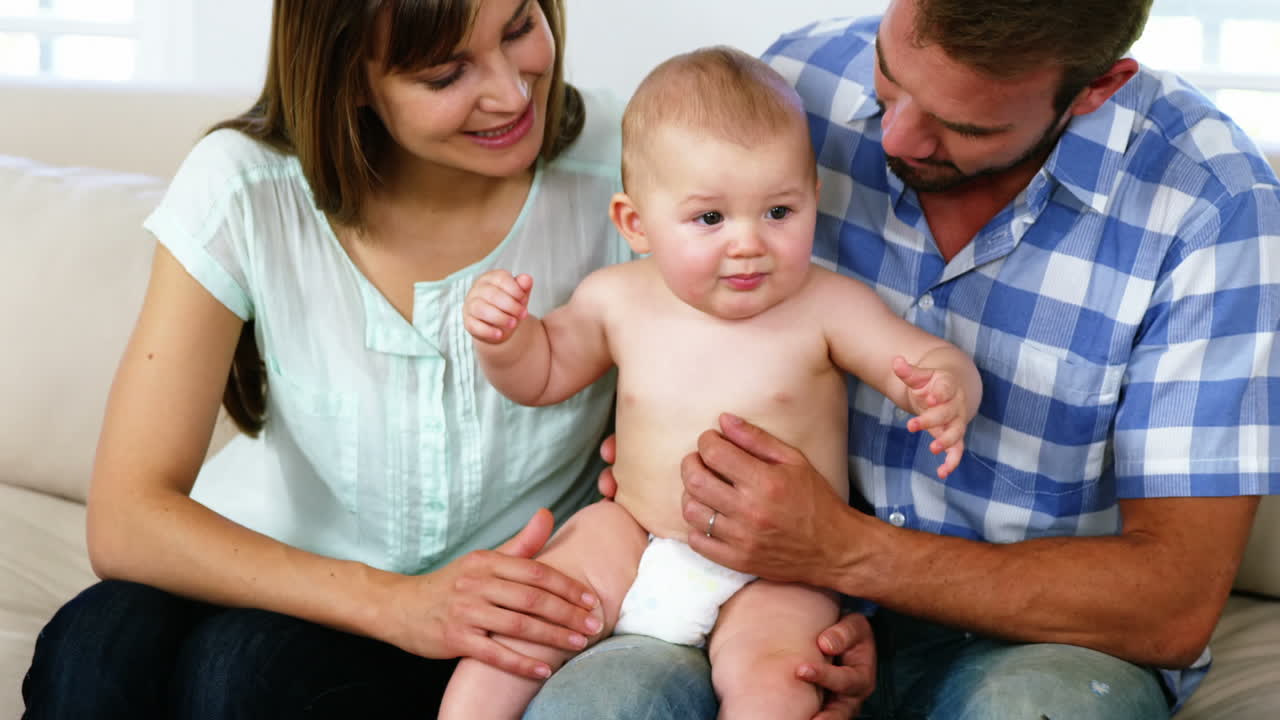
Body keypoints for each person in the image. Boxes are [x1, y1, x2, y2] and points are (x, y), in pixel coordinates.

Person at [523, 1, 1280, 719]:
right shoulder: (798, 83)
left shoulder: (1213, 208)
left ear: (1096, 89)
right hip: (745, 592)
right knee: (599, 701)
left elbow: (1173, 602)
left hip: (1028, 636)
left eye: (961, 125)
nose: (895, 138)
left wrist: (846, 555)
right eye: (889, 76)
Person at [20, 1, 635, 717]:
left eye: (521, 27)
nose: (510, 90)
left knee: (244, 674)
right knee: (97, 640)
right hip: (283, 578)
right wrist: (399, 604)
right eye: (445, 74)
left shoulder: (631, 161)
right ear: (350, 79)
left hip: (482, 640)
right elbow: (127, 518)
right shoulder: (245, 185)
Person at [444, 46, 981, 720]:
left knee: (779, 680)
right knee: (520, 620)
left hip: (778, 567)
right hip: (633, 533)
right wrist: (506, 339)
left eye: (779, 212)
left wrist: (944, 390)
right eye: (710, 219)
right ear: (635, 224)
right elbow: (544, 372)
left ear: (814, 197)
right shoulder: (616, 298)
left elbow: (922, 358)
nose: (749, 243)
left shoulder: (827, 306)